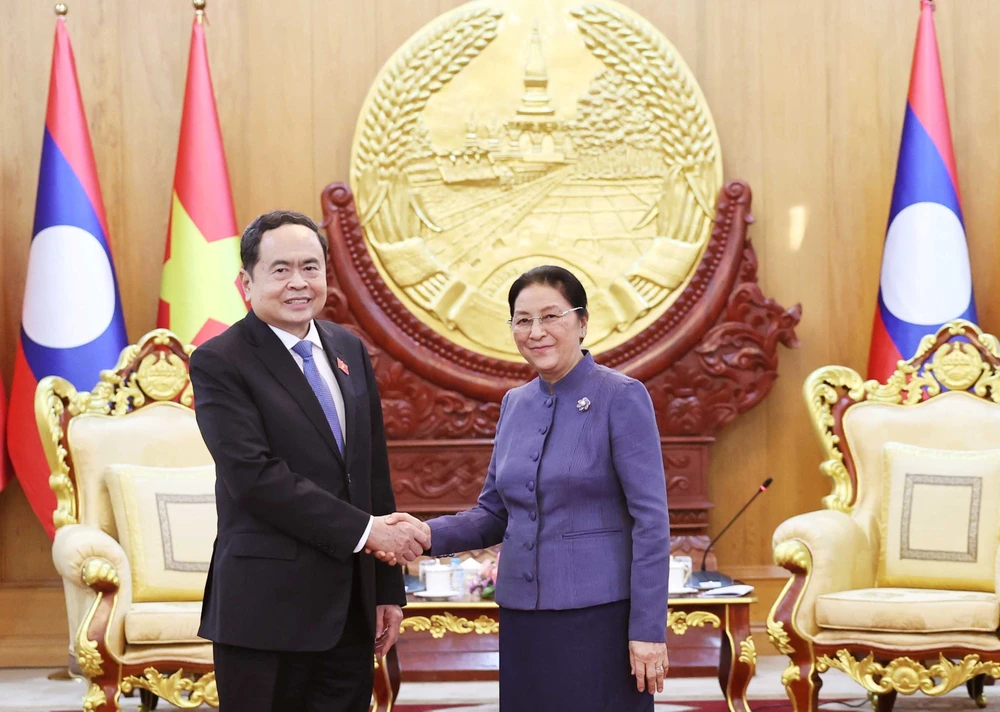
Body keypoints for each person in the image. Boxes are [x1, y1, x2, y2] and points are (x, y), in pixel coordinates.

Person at [383, 265, 670, 711]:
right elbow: (495, 513)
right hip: (523, 619)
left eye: (551, 316)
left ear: (582, 322)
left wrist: (648, 631)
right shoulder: (516, 404)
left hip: (599, 619)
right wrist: (423, 535)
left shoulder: (621, 396)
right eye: (523, 319)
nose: (536, 331)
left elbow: (651, 523)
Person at [190, 209, 430, 712]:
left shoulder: (348, 348)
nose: (298, 282)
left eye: (311, 267)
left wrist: (387, 590)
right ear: (246, 282)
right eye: (280, 270)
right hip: (265, 610)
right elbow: (255, 479)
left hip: (350, 611)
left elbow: (371, 473)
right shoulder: (220, 361)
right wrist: (369, 532)